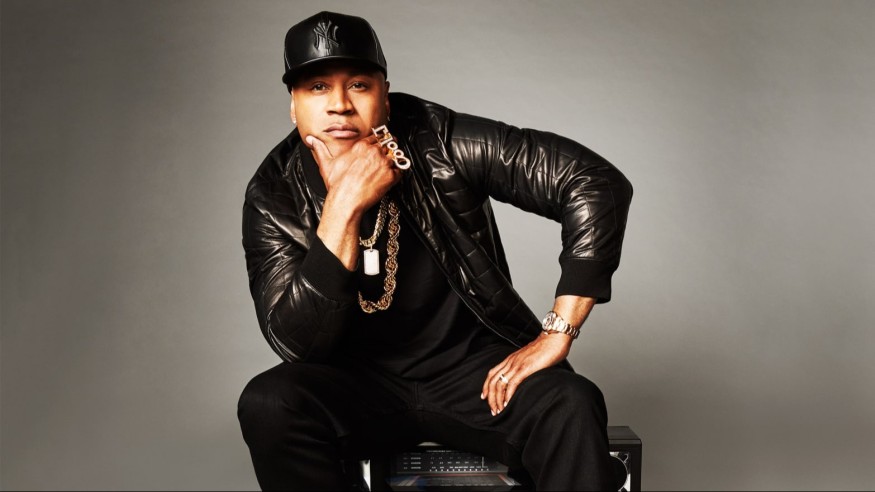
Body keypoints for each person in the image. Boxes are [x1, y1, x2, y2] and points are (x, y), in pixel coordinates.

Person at [237, 11, 633, 491]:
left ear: (384, 95)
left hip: (478, 377)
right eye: (317, 87)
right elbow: (297, 344)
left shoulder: (438, 139)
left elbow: (593, 182)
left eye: (358, 85)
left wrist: (559, 330)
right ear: (293, 105)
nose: (339, 105)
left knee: (570, 401)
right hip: (355, 384)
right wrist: (343, 206)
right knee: (269, 403)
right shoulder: (272, 195)